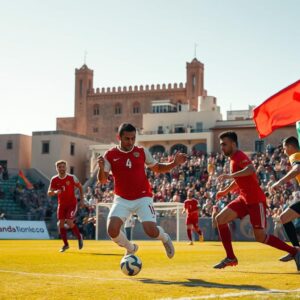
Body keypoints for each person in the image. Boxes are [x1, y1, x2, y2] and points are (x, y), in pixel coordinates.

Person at [97, 123, 187, 258]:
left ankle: (165, 238)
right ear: (119, 137)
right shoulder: (110, 154)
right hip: (121, 199)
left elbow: (157, 168)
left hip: (143, 197)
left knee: (151, 231)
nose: (130, 141)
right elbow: (103, 180)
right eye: (127, 138)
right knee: (112, 230)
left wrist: (174, 163)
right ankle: (130, 248)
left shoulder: (142, 151)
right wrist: (100, 167)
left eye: (133, 138)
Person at [214, 131, 300, 270]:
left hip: (255, 200)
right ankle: (230, 257)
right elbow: (239, 179)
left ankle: (294, 251)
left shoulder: (240, 156)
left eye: (224, 144)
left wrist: (229, 176)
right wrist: (225, 191)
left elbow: (251, 169)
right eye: (221, 144)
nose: (222, 147)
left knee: (260, 237)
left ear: (233, 144)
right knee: (220, 219)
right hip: (243, 198)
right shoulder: (233, 159)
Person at [270, 136, 300, 262]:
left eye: (284, 148)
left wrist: (279, 182)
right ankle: (296, 250)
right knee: (284, 217)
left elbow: (297, 169)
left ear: (290, 146)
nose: (284, 151)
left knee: (284, 218)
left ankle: (296, 250)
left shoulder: (295, 156)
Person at [48, 160, 84, 252]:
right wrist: (55, 192)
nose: (62, 168)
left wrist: (82, 199)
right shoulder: (54, 179)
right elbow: (49, 192)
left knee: (69, 221)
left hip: (72, 203)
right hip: (61, 204)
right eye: (59, 167)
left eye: (63, 167)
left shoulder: (72, 178)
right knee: (60, 224)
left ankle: (79, 237)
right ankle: (65, 245)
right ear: (57, 168)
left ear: (66, 168)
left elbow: (80, 187)